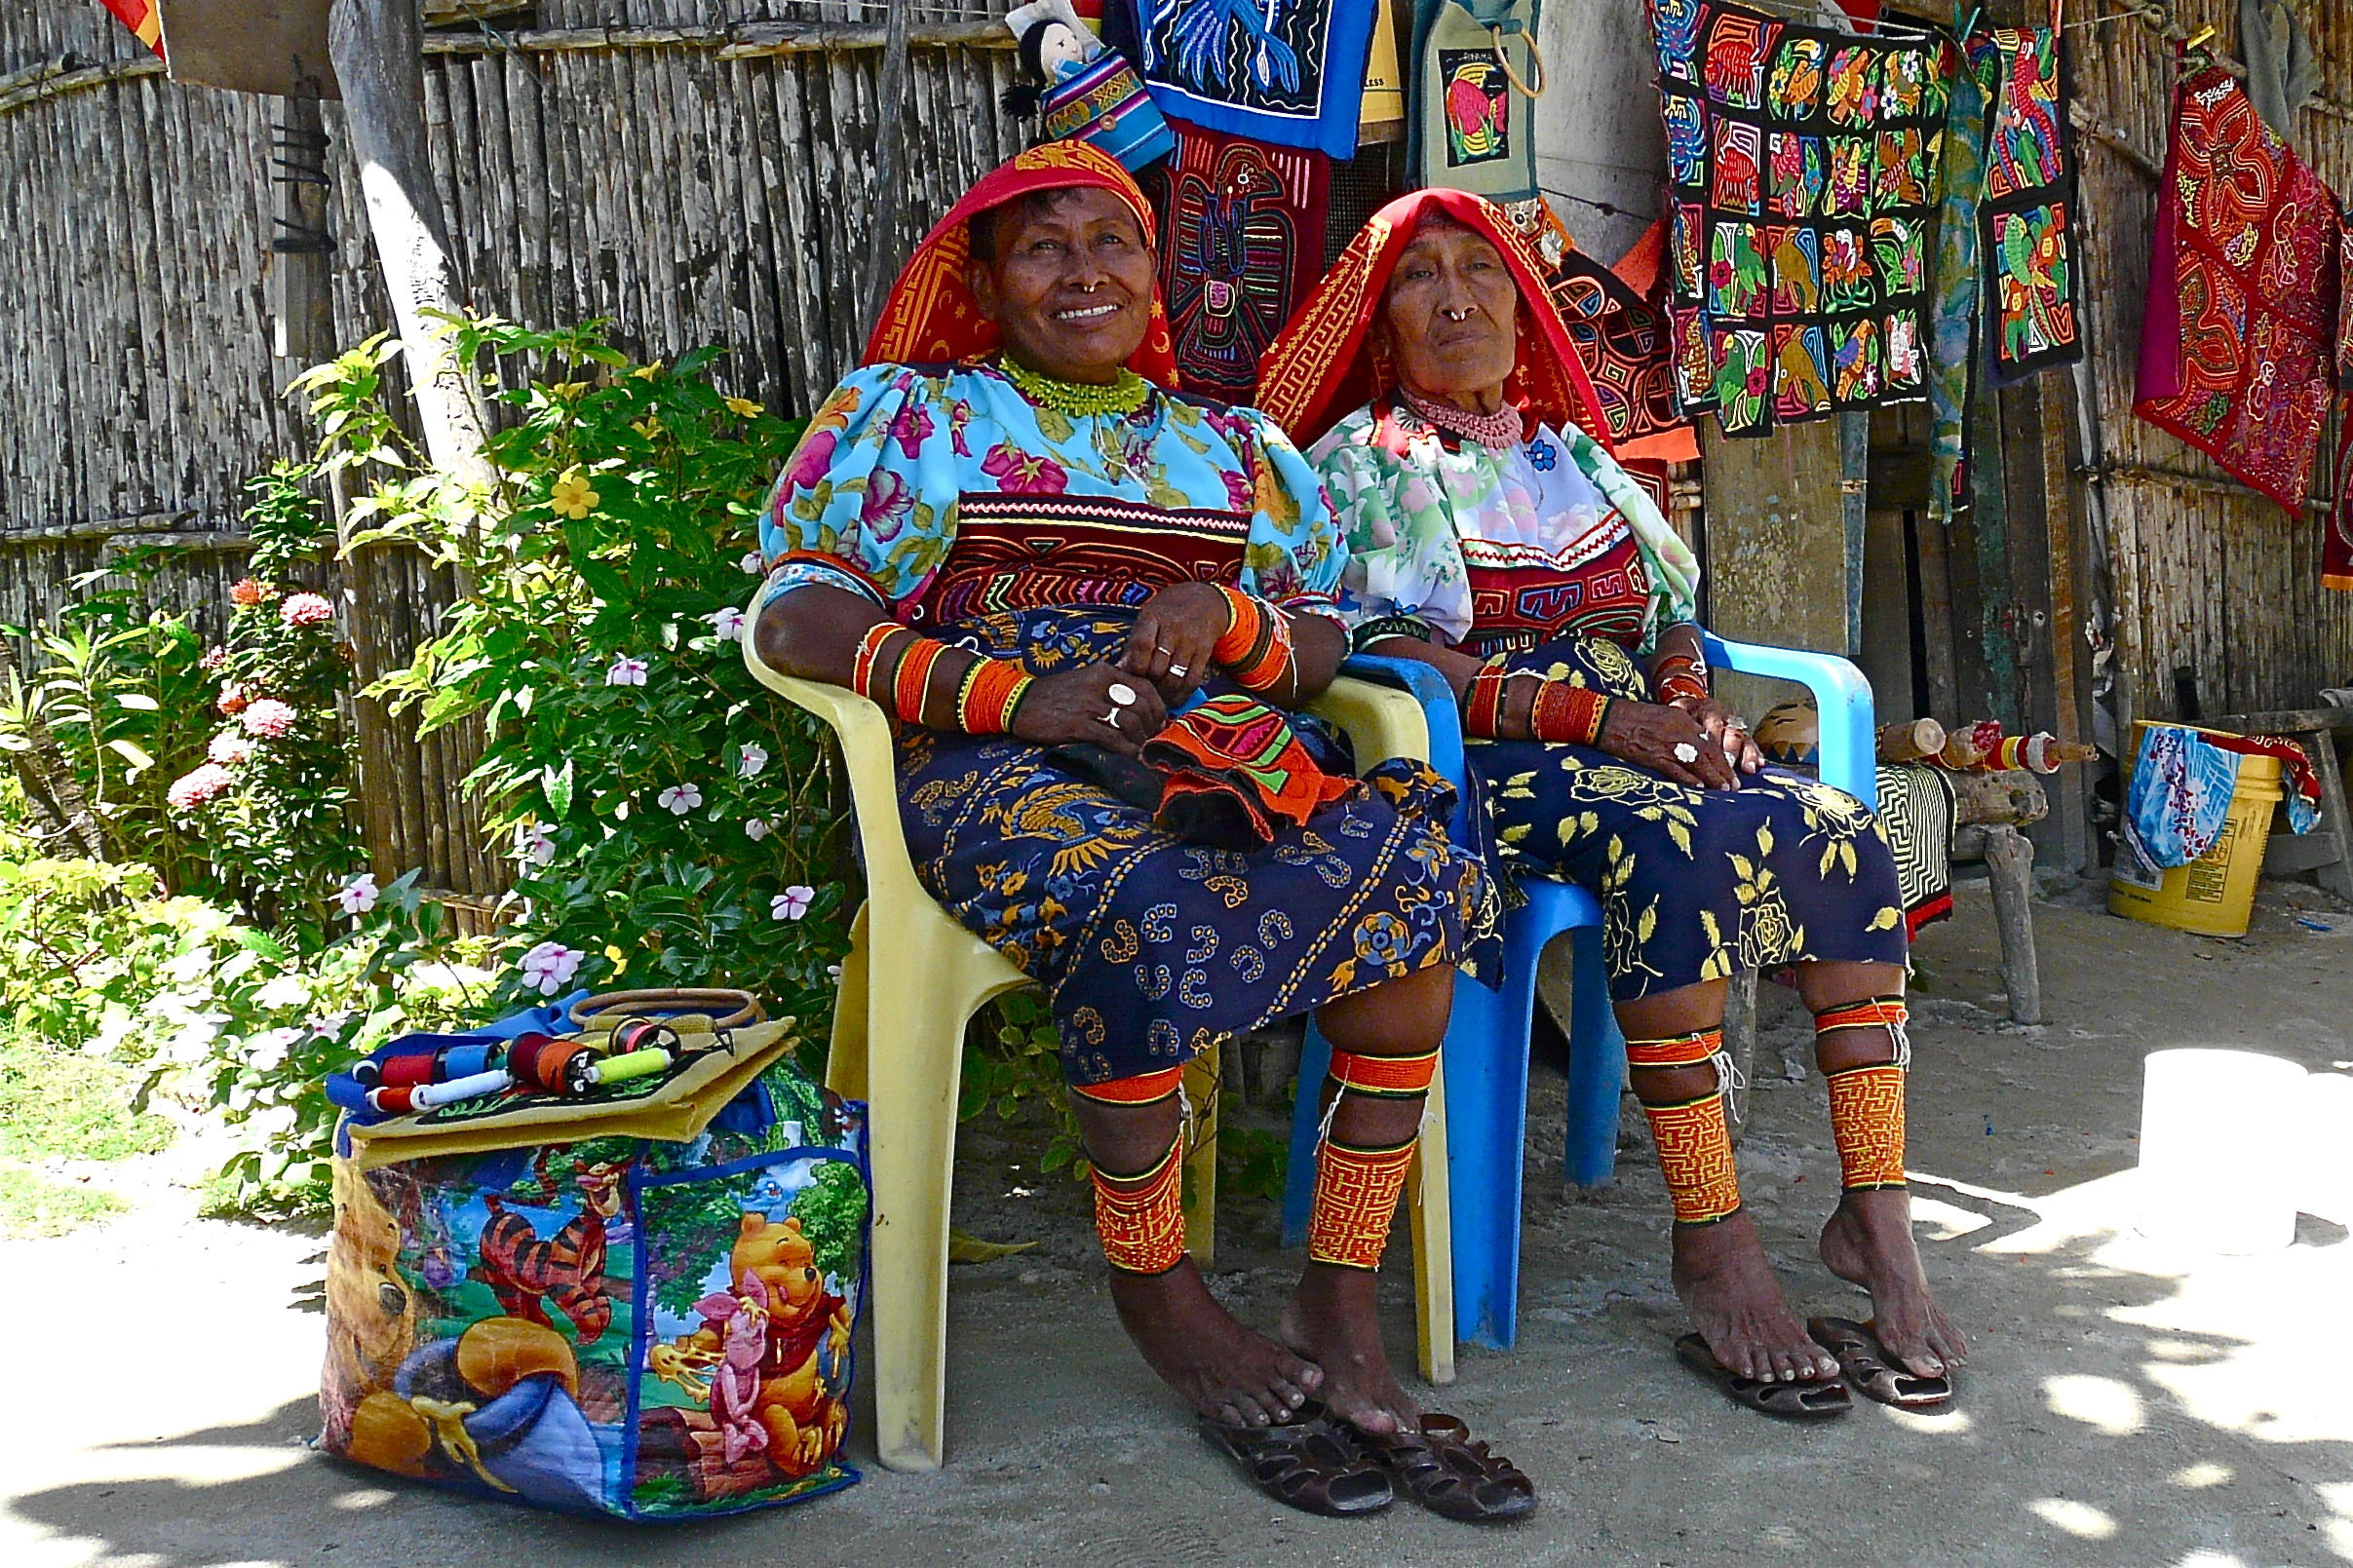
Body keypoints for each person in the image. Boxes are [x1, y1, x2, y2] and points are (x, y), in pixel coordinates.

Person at [752, 144, 1528, 1517]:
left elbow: (1331, 627)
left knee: (1413, 874)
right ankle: (1157, 1288)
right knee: (1145, 903)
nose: (1081, 272)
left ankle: (1338, 1298)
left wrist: (1231, 620)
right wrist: (1016, 694)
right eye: (1040, 248)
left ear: (1152, 273)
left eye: (1108, 242)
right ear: (982, 282)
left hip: (1203, 756)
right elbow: (799, 612)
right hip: (990, 769)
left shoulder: (1223, 448)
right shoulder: (911, 417)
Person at [1255, 189, 1967, 1416]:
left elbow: (1664, 616)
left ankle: (1876, 1217)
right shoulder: (1356, 469)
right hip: (1480, 751)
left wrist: (1686, 700)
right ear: (1382, 321)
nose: (1455, 298)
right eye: (1419, 276)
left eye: (1477, 270)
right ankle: (1714, 1232)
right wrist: (1607, 722)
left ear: (1522, 303)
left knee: (1849, 832)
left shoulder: (1567, 455)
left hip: (1637, 742)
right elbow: (1362, 647)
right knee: (1673, 843)